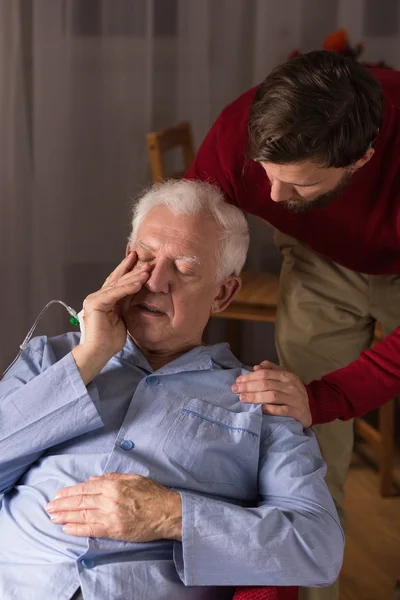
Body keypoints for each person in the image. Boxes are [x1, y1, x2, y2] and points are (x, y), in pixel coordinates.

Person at [0, 180, 343, 600]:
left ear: (222, 293)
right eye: (144, 258)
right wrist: (89, 357)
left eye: (184, 267)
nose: (155, 282)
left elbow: (318, 548)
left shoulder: (259, 399)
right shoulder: (48, 360)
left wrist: (172, 515)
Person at [184, 49, 400, 600]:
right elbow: (185, 225)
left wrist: (329, 396)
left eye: (300, 186)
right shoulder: (243, 129)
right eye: (266, 176)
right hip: (322, 260)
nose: (274, 198)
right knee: (302, 439)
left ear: (361, 158)